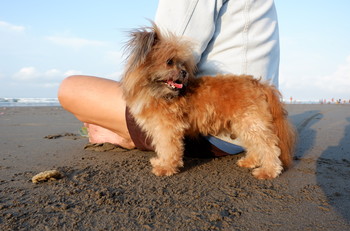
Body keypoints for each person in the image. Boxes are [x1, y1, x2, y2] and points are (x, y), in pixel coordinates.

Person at [58, 0, 280, 157]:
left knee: (71, 88)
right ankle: (123, 130)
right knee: (97, 111)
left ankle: (125, 136)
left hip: (211, 133)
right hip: (240, 128)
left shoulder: (167, 54)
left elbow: (171, 46)